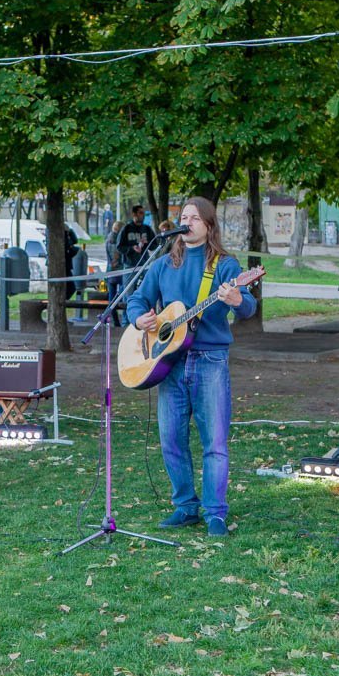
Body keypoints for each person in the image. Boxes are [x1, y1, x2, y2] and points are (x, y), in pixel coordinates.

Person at [127, 196, 257, 537]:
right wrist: (138, 318)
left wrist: (238, 298)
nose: (188, 222)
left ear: (209, 225)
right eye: (183, 217)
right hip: (169, 362)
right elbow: (137, 299)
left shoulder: (226, 266)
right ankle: (185, 506)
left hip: (210, 361)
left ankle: (215, 513)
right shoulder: (163, 263)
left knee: (214, 441)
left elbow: (248, 308)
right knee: (171, 438)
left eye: (194, 218)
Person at [116, 205, 156, 269]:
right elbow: (119, 247)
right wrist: (132, 248)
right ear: (134, 214)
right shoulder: (126, 229)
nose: (143, 215)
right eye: (140, 213)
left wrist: (147, 243)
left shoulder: (147, 229)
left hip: (144, 264)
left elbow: (155, 245)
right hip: (129, 265)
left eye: (144, 213)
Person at [104, 220, 124, 326]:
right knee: (120, 295)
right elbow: (117, 256)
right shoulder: (118, 240)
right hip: (119, 271)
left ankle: (113, 319)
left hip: (110, 272)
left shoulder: (108, 238)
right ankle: (115, 321)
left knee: (112, 298)